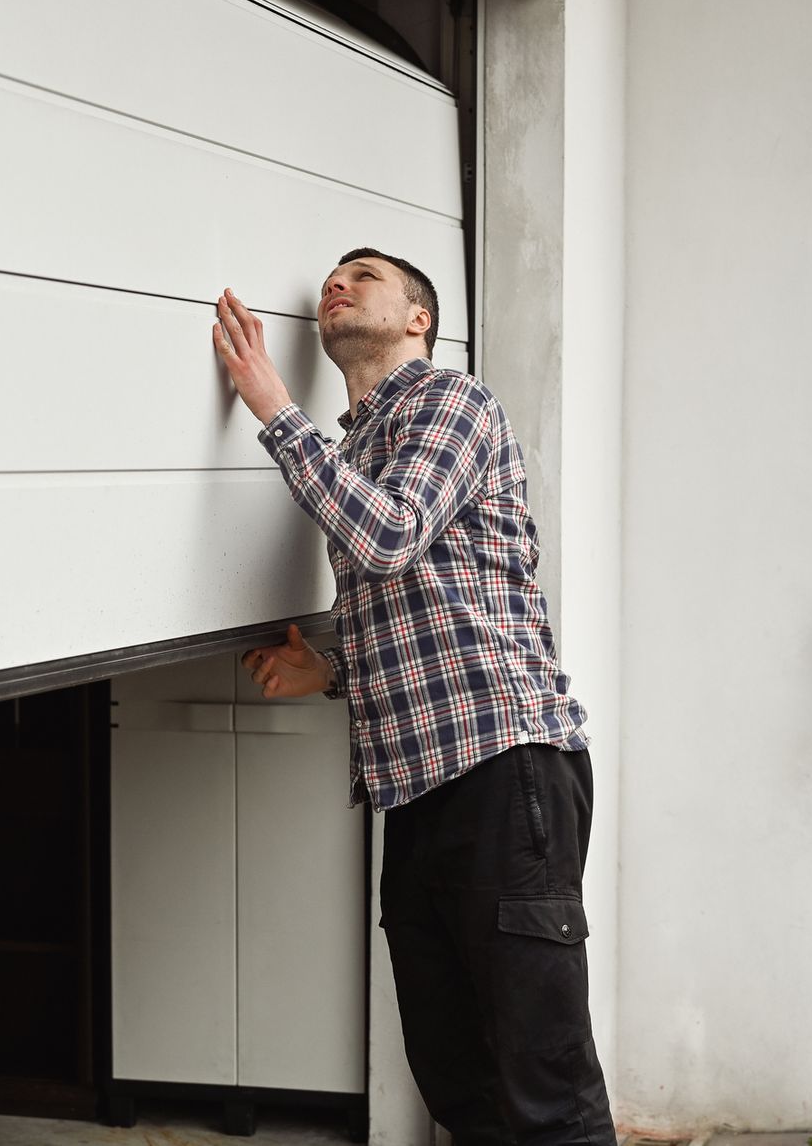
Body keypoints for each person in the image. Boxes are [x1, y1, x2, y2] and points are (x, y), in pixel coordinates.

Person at [210, 248, 614, 1146]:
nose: (337, 284)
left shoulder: (452, 403)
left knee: (544, 1082)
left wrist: (274, 408)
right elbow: (426, 610)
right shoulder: (353, 449)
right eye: (331, 279)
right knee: (457, 1080)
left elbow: (390, 537)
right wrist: (335, 671)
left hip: (507, 771)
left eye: (364, 275)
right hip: (415, 791)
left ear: (417, 319)